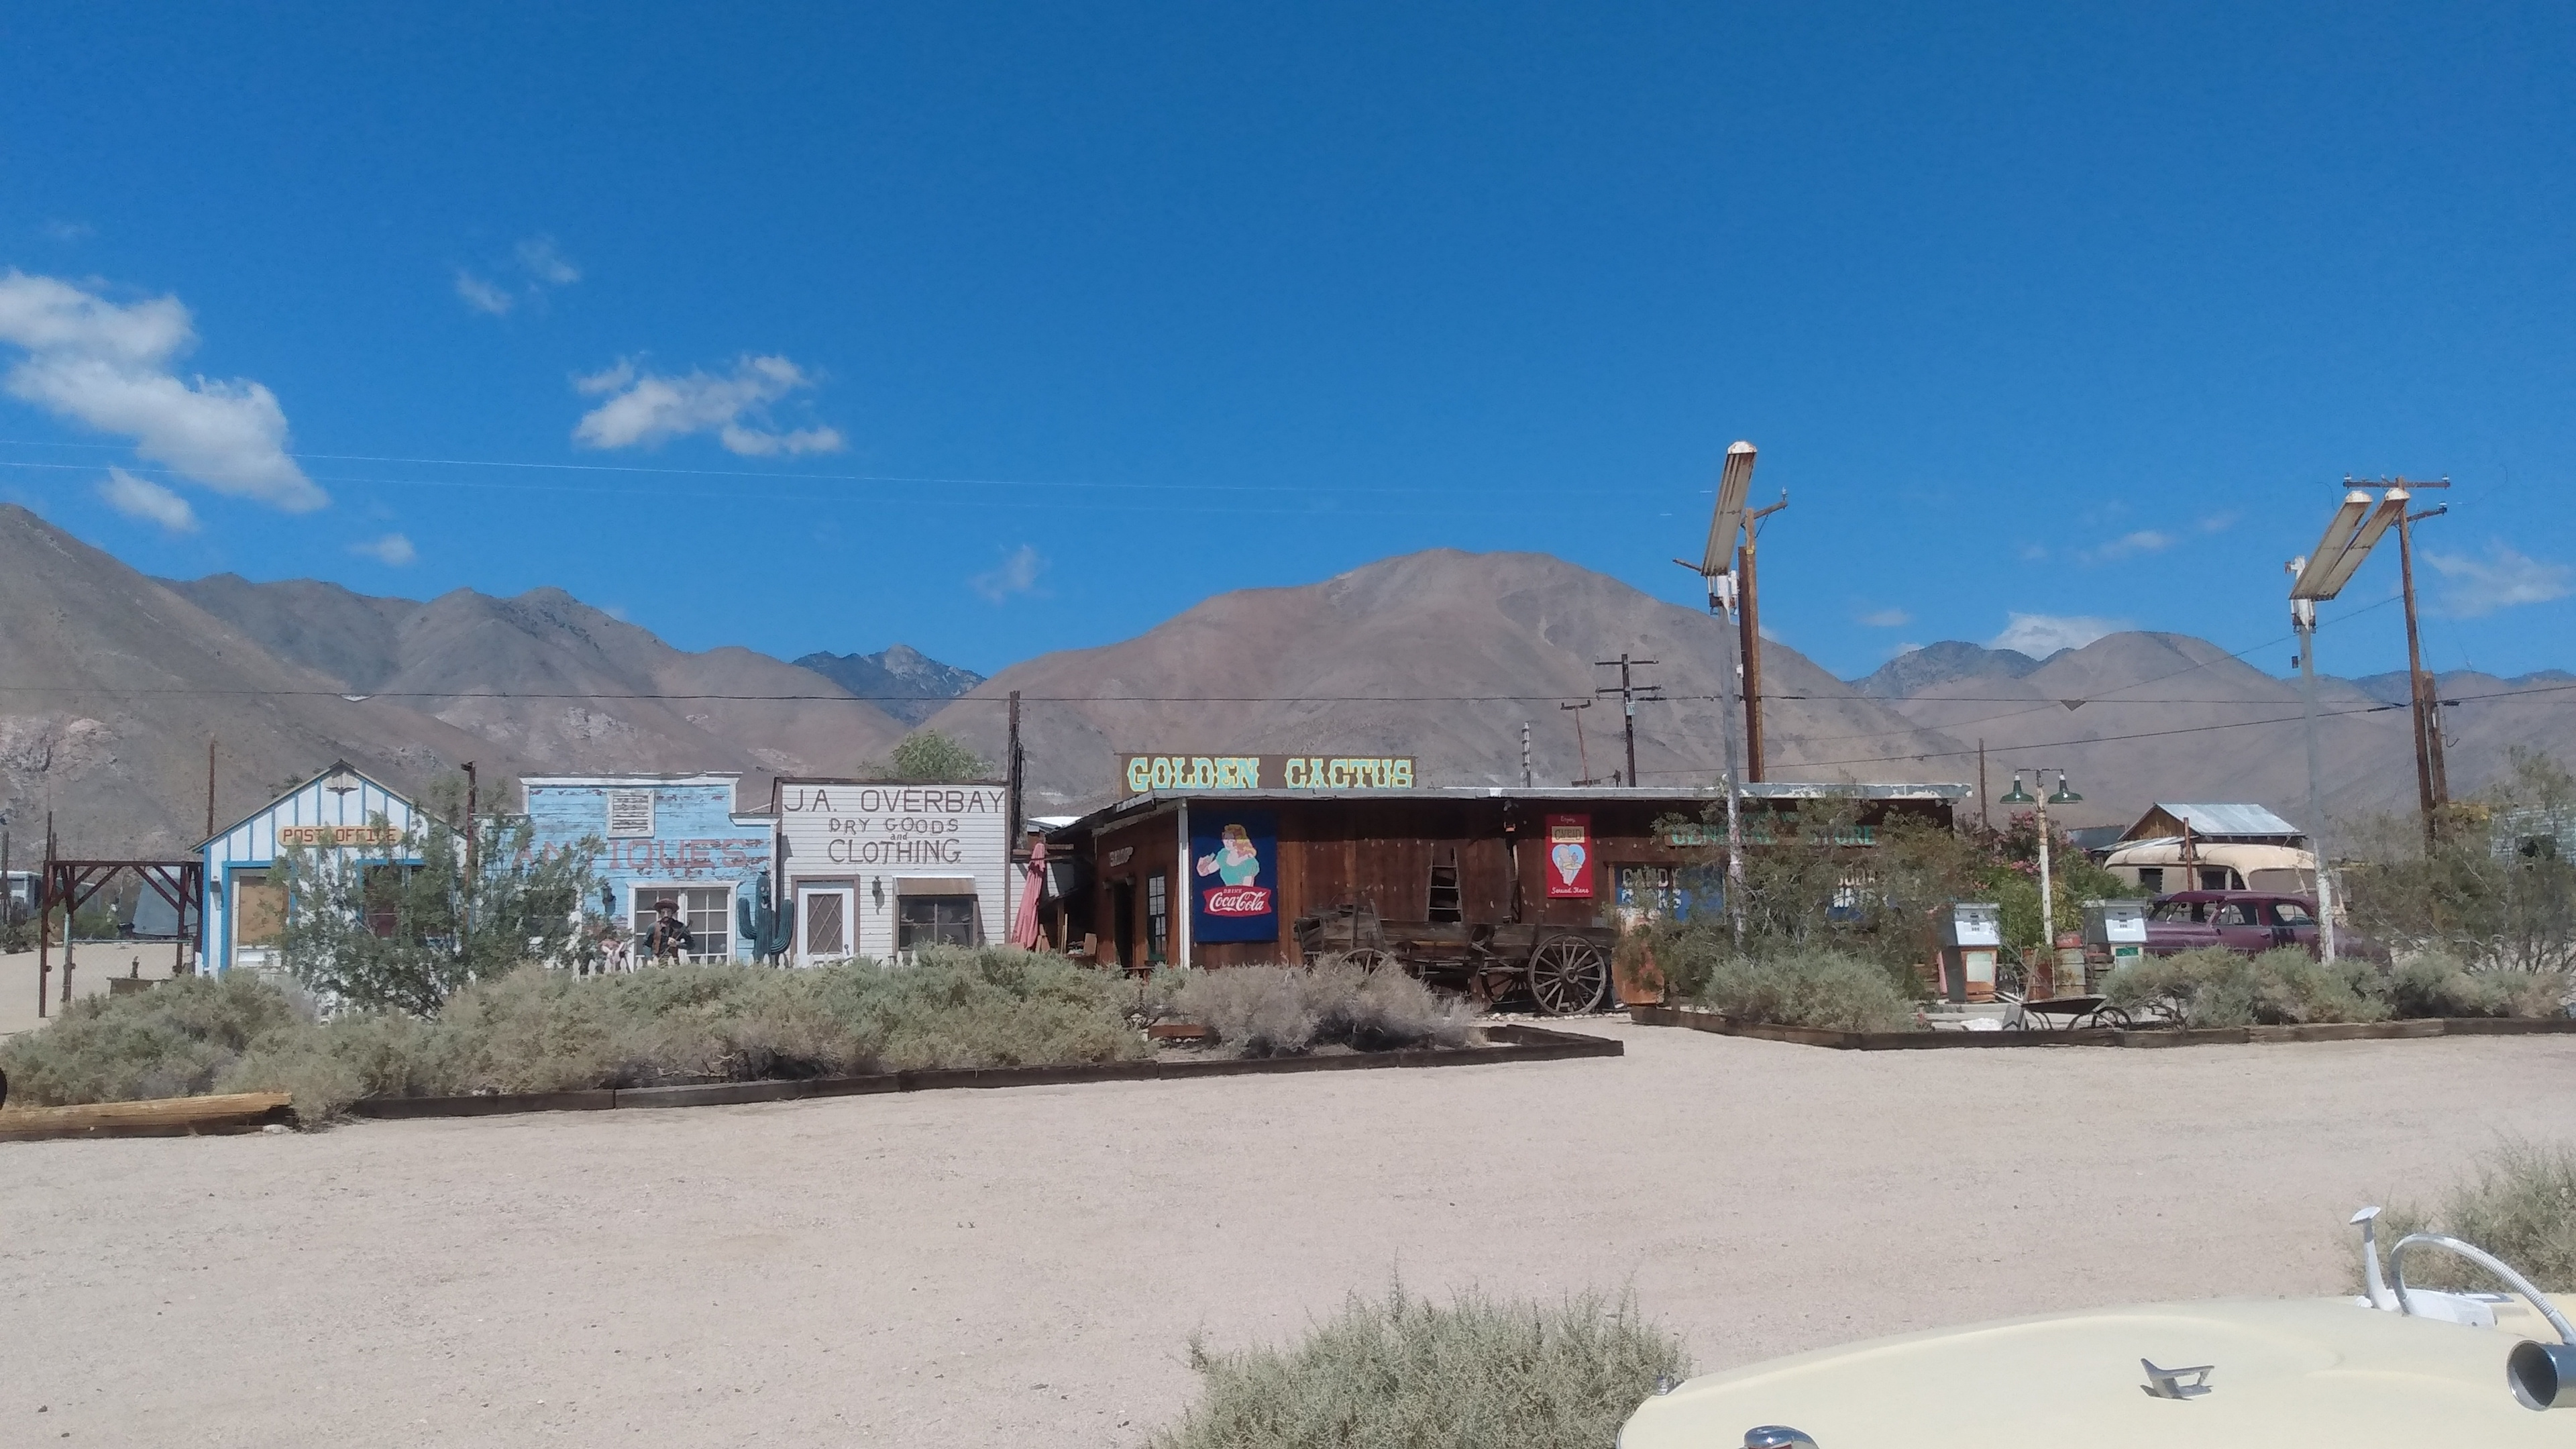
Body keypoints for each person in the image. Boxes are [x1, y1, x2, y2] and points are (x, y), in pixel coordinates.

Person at [646, 898, 694, 963]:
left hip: (674, 961)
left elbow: (692, 945)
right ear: (660, 913)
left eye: (668, 912)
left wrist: (677, 944)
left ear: (672, 913)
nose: (666, 915)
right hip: (657, 961)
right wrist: (649, 959)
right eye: (663, 912)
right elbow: (647, 945)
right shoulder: (653, 927)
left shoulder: (680, 927)